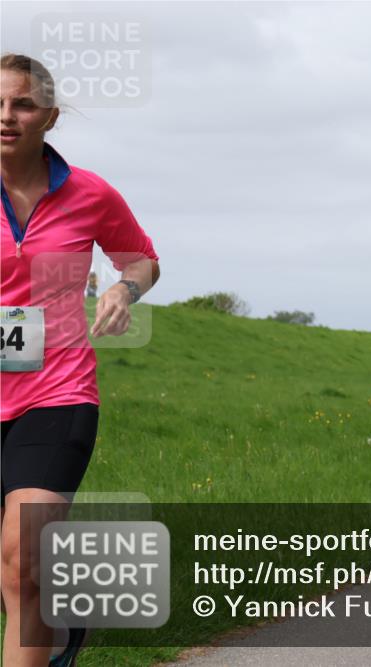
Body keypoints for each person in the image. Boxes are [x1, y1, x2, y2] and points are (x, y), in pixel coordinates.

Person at [1, 54, 160, 666]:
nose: (6, 117)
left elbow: (142, 259)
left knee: (23, 555)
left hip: (57, 391)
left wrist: (124, 289)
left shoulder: (90, 193)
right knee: (15, 579)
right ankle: (63, 626)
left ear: (50, 115)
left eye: (22, 104)